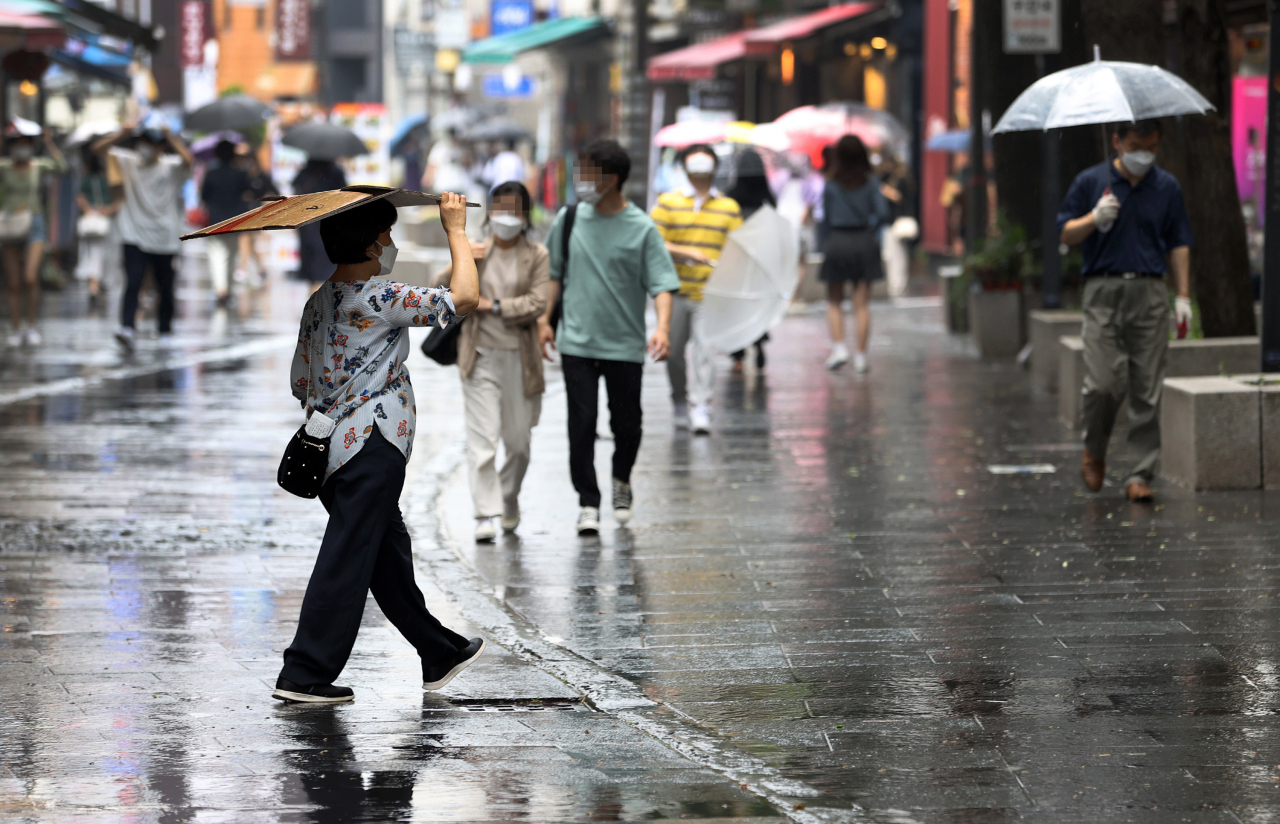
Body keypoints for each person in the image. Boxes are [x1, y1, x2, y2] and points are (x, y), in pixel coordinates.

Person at [275, 191, 484, 704]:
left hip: (330, 450)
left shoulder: (320, 300)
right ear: (370, 243)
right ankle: (304, 672)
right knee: (348, 556)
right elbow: (465, 298)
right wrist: (455, 230)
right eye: (386, 234)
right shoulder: (381, 296)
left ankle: (438, 651)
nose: (390, 242)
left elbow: (301, 381)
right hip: (373, 445)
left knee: (385, 555)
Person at [538, 139, 679, 535]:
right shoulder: (568, 220)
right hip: (577, 342)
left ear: (612, 179)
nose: (582, 181)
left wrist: (663, 328)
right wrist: (545, 320)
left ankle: (621, 480)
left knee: (627, 424)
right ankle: (588, 501)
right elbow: (553, 275)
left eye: (589, 174)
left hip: (624, 344)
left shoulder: (642, 227)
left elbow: (663, 283)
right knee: (580, 423)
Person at [1057, 119, 1193, 504]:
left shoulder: (1166, 187)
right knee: (1102, 383)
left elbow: (1179, 241)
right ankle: (1094, 449)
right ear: (1116, 141)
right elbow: (1065, 232)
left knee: (1147, 387)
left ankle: (1140, 472)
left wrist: (1182, 296)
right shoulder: (1090, 182)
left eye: (1151, 147)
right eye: (1135, 146)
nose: (1143, 155)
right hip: (1103, 289)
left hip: (1150, 290)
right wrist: (1093, 219)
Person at [432, 181, 548, 542]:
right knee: (482, 440)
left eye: (515, 208)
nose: (506, 216)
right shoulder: (476, 250)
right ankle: (484, 512)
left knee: (518, 443)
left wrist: (494, 306)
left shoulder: (537, 255)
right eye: (500, 207)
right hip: (478, 356)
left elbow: (537, 303)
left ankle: (508, 499)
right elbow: (441, 288)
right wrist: (463, 257)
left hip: (521, 359)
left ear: (526, 214)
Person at [649, 144, 742, 433]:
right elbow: (653, 242)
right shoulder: (667, 202)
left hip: (710, 294)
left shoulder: (729, 208)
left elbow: (739, 249)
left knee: (705, 351)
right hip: (674, 291)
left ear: (715, 168)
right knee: (673, 352)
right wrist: (685, 252)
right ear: (684, 167)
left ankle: (701, 405)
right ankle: (679, 398)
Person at [92, 125, 193, 351]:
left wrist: (171, 137)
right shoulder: (129, 162)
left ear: (160, 147)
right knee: (133, 281)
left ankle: (164, 329)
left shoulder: (171, 167)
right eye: (142, 142)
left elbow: (189, 161)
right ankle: (127, 326)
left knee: (164, 286)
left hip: (164, 237)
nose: (145, 147)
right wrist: (122, 133)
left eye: (150, 143)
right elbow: (98, 149)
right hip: (133, 233)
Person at [821, 134, 888, 373]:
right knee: (861, 304)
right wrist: (870, 228)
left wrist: (826, 243)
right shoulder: (871, 183)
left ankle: (839, 348)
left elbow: (825, 218)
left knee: (834, 301)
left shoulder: (830, 184)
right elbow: (882, 213)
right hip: (863, 241)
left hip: (838, 241)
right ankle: (860, 356)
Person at [0, 124, 66, 346]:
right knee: (13, 282)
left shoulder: (38, 165)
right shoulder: (4, 167)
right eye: (17, 143)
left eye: (26, 143)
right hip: (9, 224)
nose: (22, 148)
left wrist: (48, 142)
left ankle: (31, 326)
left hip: (35, 222)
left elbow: (61, 166)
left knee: (30, 277)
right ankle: (16, 329)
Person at [727, 149, 776, 372]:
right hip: (761, 255)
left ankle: (737, 353)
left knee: (737, 302)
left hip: (738, 254)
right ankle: (759, 341)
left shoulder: (731, 195)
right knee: (757, 300)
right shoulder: (767, 196)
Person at [200, 140, 255, 307]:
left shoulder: (211, 173)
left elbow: (204, 196)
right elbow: (249, 192)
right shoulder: (240, 174)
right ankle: (228, 290)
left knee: (216, 255)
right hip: (233, 220)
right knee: (231, 255)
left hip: (215, 219)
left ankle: (220, 290)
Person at [74, 145, 122, 309]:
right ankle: (99, 286)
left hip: (94, 220)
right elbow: (120, 200)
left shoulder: (87, 178)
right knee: (106, 256)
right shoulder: (113, 178)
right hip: (107, 222)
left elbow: (80, 197)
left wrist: (89, 210)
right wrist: (107, 210)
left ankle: (94, 287)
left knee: (91, 255)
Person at [293, 158, 347, 287]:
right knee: (324, 258)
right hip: (327, 220)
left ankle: (313, 289)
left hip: (306, 220)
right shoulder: (336, 172)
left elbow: (296, 189)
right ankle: (319, 294)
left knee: (310, 257)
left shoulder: (306, 171)